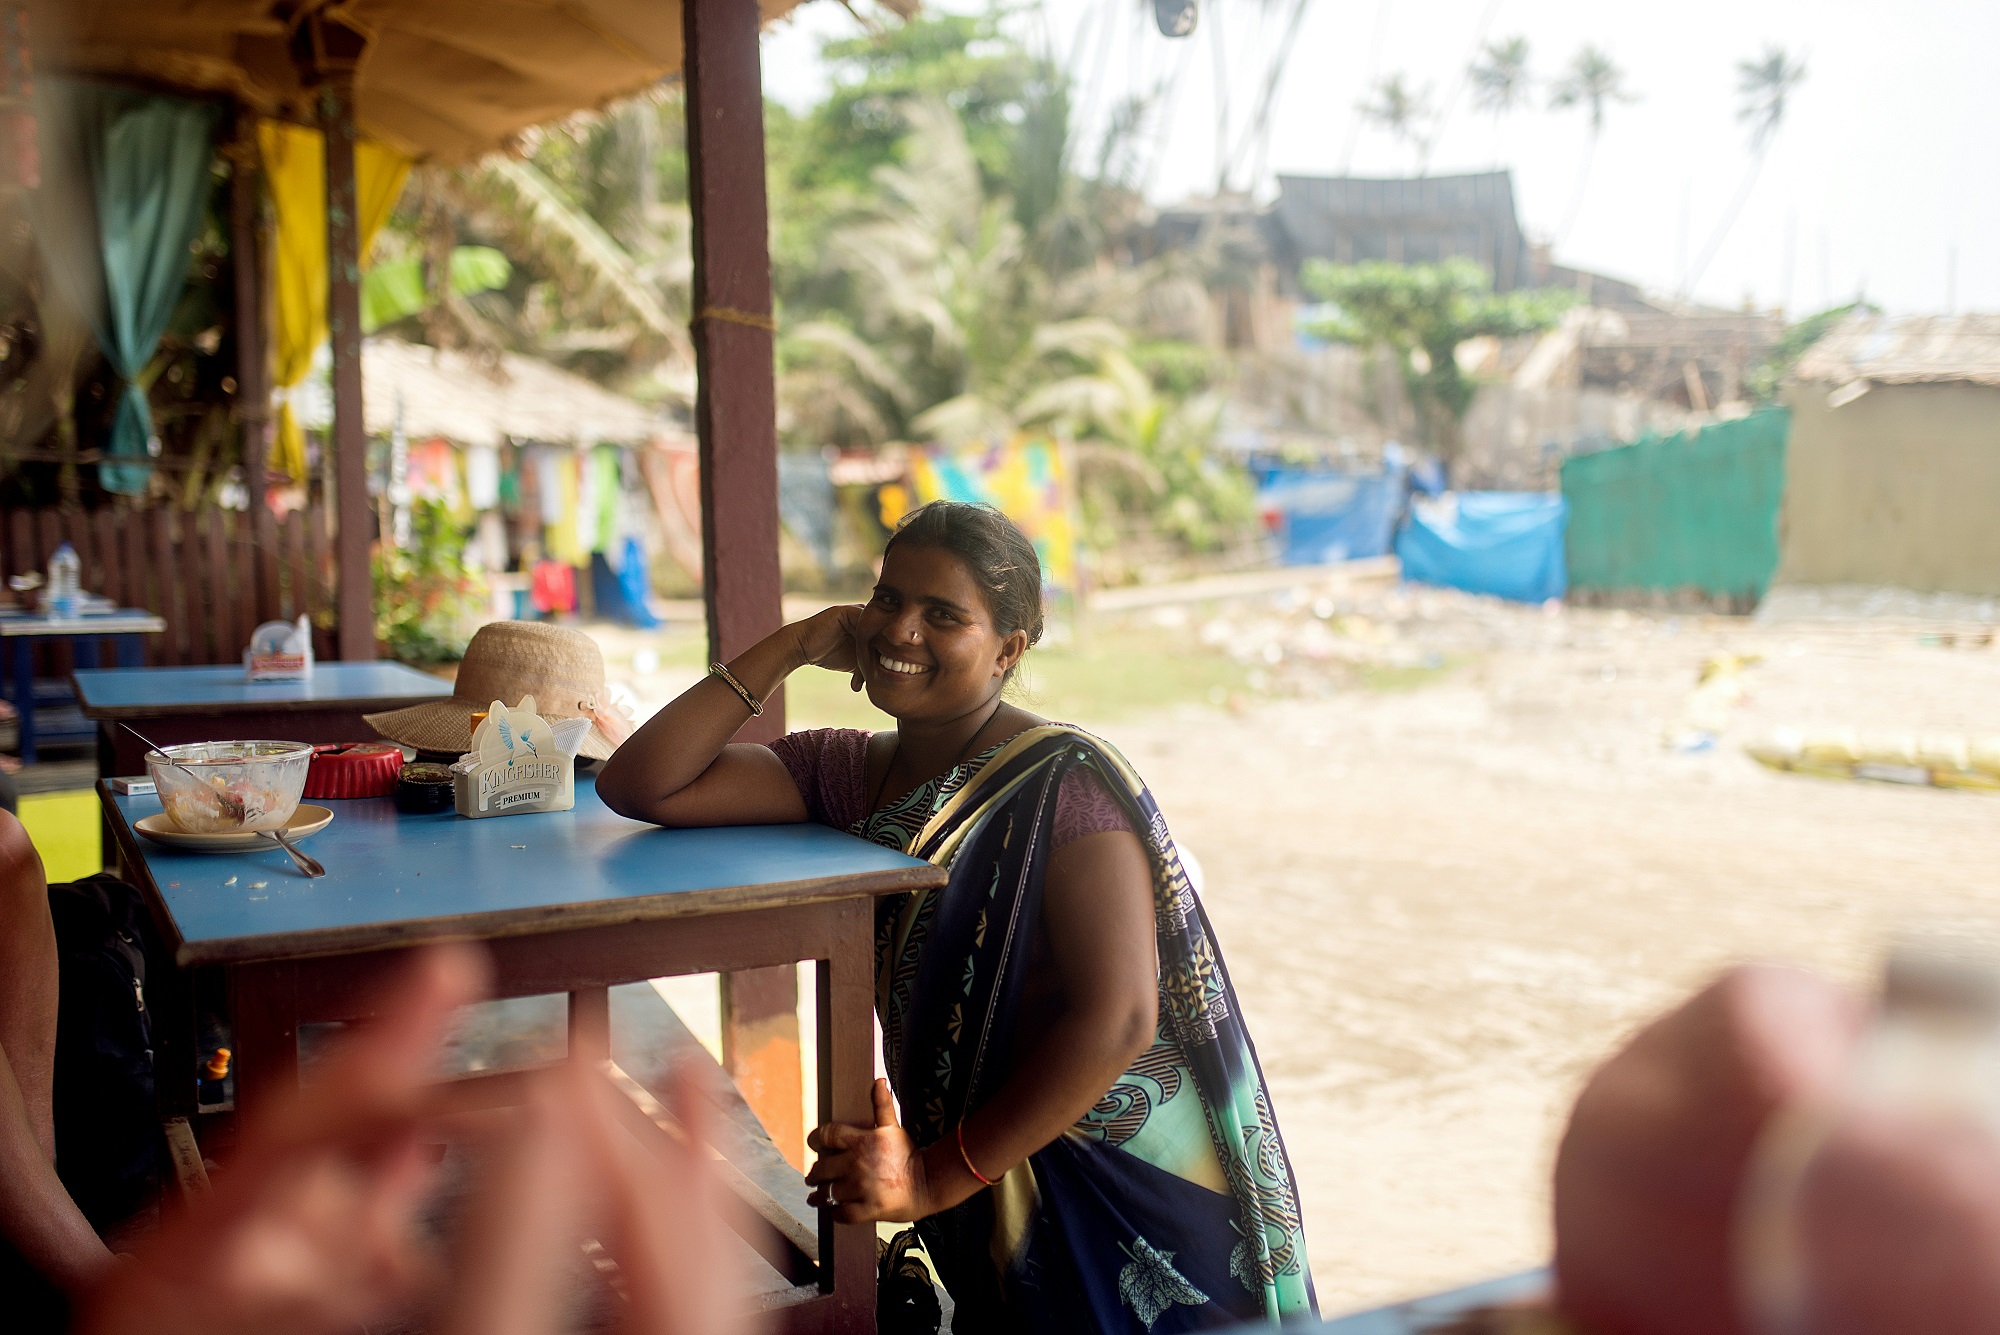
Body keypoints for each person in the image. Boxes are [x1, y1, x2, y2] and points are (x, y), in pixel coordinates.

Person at [597, 501, 1315, 1331]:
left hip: (1122, 1193)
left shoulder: (1065, 785)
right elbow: (640, 784)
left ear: (1008, 649)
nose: (901, 630)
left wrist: (934, 1179)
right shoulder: (845, 775)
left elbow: (1120, 1016)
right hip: (981, 1179)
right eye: (887, 600)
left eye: (944, 615)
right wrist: (796, 643)